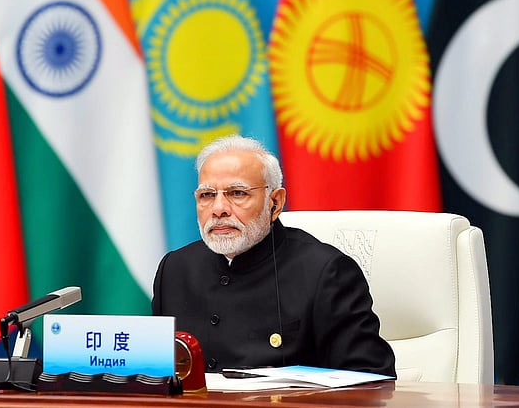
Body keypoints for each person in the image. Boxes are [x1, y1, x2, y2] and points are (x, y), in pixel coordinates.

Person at [151, 135, 396, 377]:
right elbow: (153, 374)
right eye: (207, 195)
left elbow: (371, 381)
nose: (218, 209)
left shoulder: (326, 272)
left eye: (237, 193)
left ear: (275, 203)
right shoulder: (175, 269)